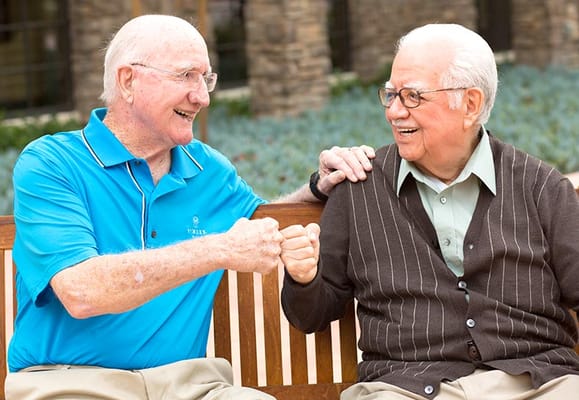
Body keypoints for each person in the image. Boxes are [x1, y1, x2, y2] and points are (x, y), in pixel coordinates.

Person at [5, 14, 375, 400]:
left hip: (188, 385)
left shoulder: (207, 168)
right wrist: (217, 250)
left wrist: (317, 186)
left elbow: (261, 219)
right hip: (74, 384)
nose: (203, 96)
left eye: (206, 78)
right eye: (186, 76)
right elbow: (82, 292)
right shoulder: (52, 163)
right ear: (128, 80)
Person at [281, 23, 579, 400]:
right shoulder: (358, 188)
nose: (394, 112)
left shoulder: (541, 187)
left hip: (537, 383)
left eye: (412, 97)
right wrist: (304, 278)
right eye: (390, 95)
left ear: (470, 104)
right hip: (405, 389)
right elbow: (312, 316)